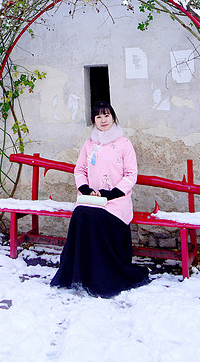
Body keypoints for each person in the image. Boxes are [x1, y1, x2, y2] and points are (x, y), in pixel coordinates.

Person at [50, 100, 150, 297]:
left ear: (113, 117)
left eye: (106, 115)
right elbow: (79, 169)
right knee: (80, 214)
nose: (103, 120)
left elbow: (131, 175)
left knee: (94, 218)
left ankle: (102, 276)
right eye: (98, 116)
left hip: (115, 202)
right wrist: (85, 189)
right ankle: (79, 272)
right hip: (92, 199)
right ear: (93, 120)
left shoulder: (124, 144)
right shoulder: (89, 144)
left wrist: (110, 193)